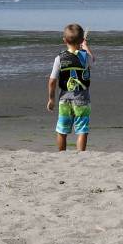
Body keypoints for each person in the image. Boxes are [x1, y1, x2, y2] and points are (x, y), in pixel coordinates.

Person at [46, 23, 94, 152]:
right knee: (82, 129)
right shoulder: (85, 57)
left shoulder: (59, 58)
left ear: (64, 40)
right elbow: (92, 60)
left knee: (62, 129)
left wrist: (51, 99)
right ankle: (81, 154)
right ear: (81, 40)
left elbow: (52, 81)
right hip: (82, 98)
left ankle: (62, 153)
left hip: (65, 98)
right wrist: (85, 47)